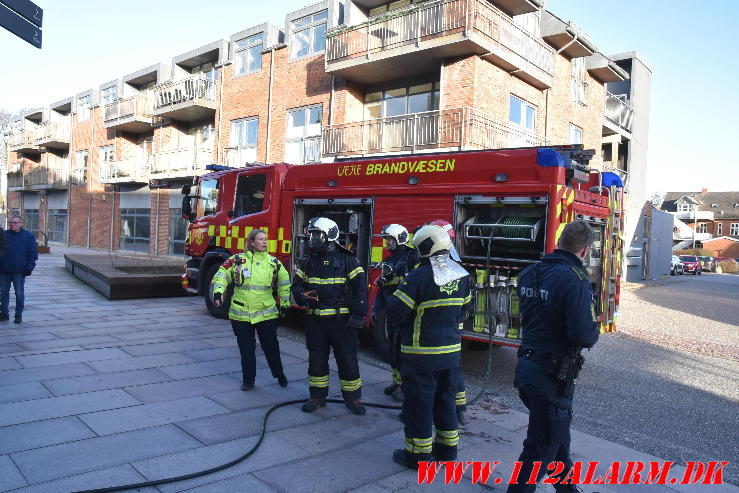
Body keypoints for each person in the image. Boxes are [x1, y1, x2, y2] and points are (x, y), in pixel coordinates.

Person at [506, 220, 599, 493]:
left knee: (557, 436)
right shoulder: (576, 279)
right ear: (584, 251)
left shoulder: (529, 273)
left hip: (527, 368)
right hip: (551, 376)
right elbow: (584, 336)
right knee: (541, 445)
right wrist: (595, 326)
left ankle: (566, 489)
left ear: (559, 242)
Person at [387, 224, 472, 468]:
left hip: (420, 354)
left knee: (419, 404)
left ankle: (417, 455)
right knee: (446, 400)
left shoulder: (419, 276)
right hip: (451, 354)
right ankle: (447, 450)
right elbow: (466, 310)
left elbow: (395, 311)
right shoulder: (462, 274)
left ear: (425, 247)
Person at [292, 217, 368, 415]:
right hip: (316, 322)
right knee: (316, 360)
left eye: (317, 234)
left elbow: (360, 289)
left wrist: (359, 315)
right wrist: (304, 296)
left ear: (330, 236)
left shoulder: (347, 259)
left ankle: (353, 399)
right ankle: (317, 397)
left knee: (347, 360)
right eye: (313, 234)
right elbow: (297, 285)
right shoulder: (310, 260)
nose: (313, 238)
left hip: (342, 322)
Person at [212, 229, 290, 391]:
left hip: (266, 313)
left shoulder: (274, 263)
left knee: (271, 348)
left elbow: (284, 283)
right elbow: (221, 275)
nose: (264, 242)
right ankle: (248, 380)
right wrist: (219, 291)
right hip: (241, 315)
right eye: (260, 239)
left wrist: (285, 303)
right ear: (251, 242)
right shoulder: (237, 260)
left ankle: (279, 374)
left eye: (265, 239)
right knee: (247, 352)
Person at [426, 219, 468, 425]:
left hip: (442, 327)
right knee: (453, 368)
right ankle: (459, 409)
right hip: (452, 326)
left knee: (446, 370)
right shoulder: (453, 258)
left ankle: (454, 408)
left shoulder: (443, 261)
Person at [373, 223, 419, 402]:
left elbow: (415, 285)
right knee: (393, 348)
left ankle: (406, 385)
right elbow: (381, 288)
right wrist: (377, 310)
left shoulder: (411, 257)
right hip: (392, 312)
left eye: (390, 239)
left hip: (406, 313)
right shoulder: (388, 261)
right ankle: (396, 381)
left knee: (405, 350)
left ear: (400, 238)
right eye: (386, 239)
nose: (387, 243)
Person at [0, 215, 38, 324]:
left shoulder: (29, 236)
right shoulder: (4, 235)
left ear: (21, 224)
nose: (12, 224)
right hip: (4, 270)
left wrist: (29, 268)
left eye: (15, 222)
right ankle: (4, 313)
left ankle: (18, 315)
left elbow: (33, 254)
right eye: (11, 223)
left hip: (19, 271)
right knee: (3, 293)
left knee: (19, 293)